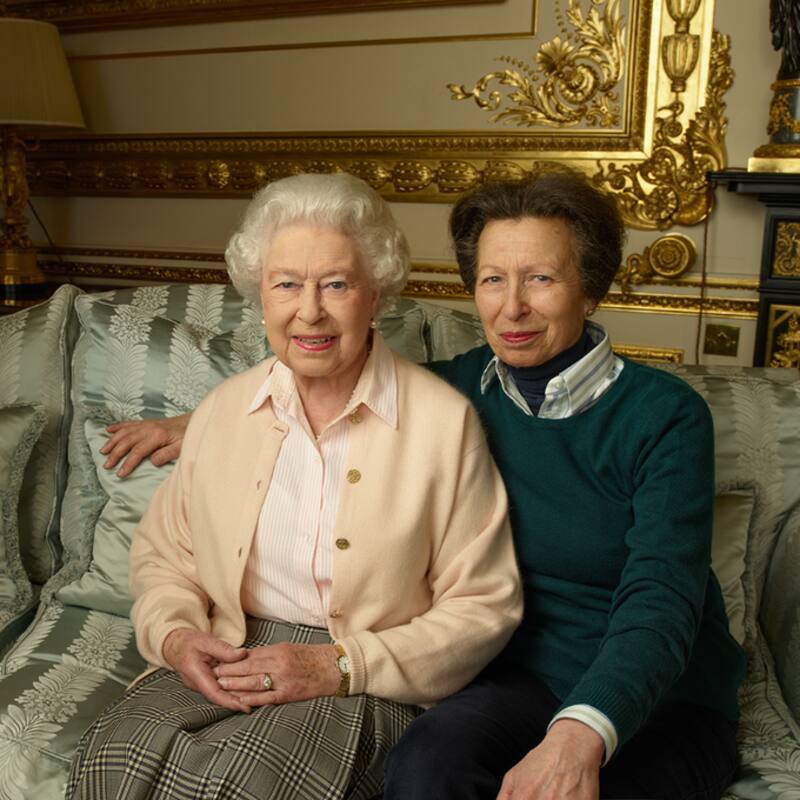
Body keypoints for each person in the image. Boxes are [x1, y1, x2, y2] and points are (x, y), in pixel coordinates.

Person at [98, 171, 746, 800]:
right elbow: (338, 377)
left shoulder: (663, 415)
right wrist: (206, 422)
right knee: (426, 766)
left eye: (541, 278)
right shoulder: (460, 388)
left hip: (656, 698)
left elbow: (660, 600)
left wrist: (581, 733)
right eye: (493, 280)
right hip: (520, 680)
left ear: (592, 287)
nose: (512, 306)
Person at [67, 173, 522, 800]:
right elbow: (164, 557)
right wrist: (174, 635)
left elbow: (484, 606)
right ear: (261, 294)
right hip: (230, 641)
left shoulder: (444, 423)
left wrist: (341, 664)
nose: (309, 311)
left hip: (363, 672)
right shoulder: (225, 410)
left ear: (376, 295)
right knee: (112, 762)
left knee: (245, 787)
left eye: (335, 284)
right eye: (287, 285)